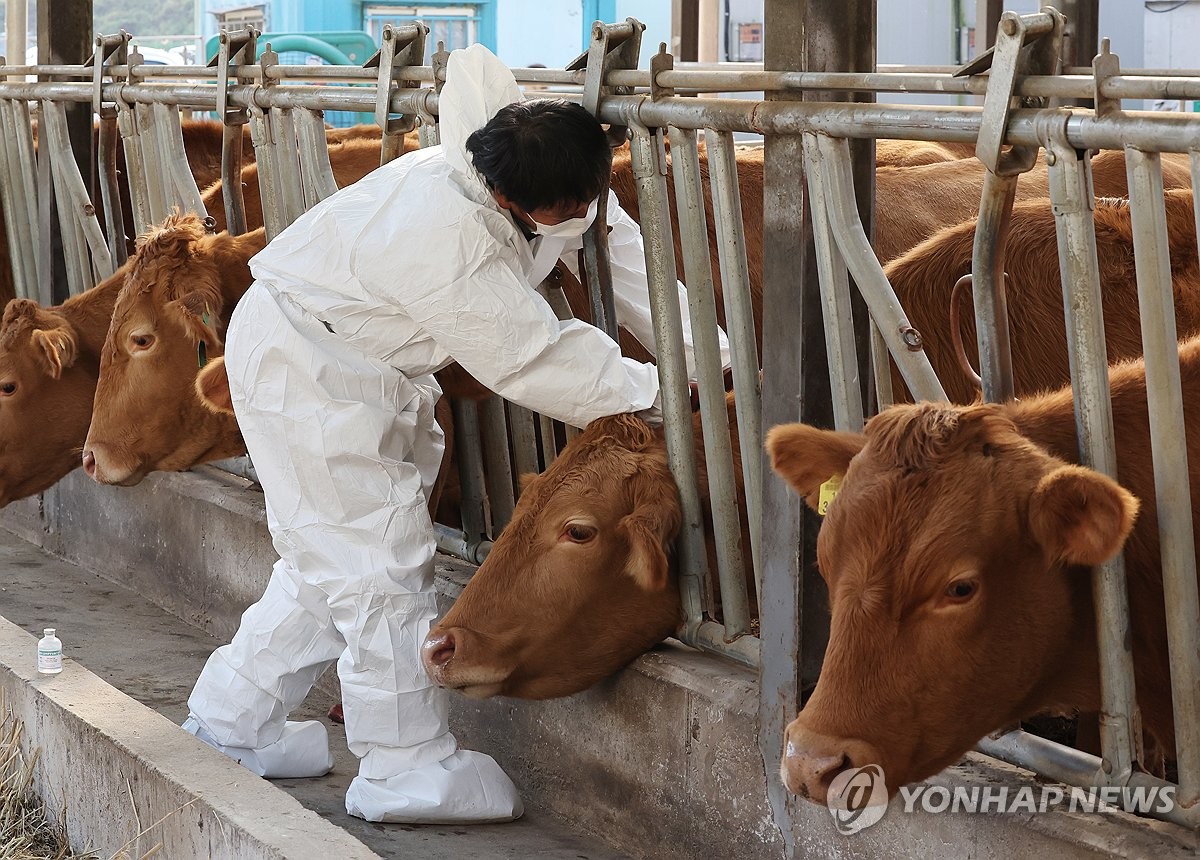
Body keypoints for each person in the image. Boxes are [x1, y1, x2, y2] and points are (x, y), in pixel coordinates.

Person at [181, 44, 729, 824]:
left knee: (328, 558)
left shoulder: (543, 166)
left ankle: (230, 723)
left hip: (366, 363)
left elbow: (620, 249)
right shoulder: (441, 232)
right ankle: (402, 765)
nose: (581, 217)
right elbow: (529, 354)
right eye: (562, 210)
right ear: (512, 200)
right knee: (379, 567)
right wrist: (658, 394)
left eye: (587, 199)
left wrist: (714, 363)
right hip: (310, 361)